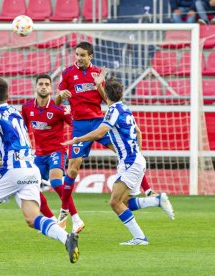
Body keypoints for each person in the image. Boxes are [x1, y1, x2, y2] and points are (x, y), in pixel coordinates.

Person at [0, 77, 79, 270]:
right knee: (32, 218)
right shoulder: (16, 113)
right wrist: (2, 161)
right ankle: (66, 238)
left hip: (13, 171)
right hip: (30, 168)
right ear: (8, 95)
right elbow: (21, 143)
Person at [62, 79, 175, 245]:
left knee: (115, 202)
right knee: (126, 202)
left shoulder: (113, 110)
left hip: (130, 163)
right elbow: (139, 132)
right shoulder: (125, 108)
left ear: (105, 96)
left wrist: (78, 139)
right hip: (135, 160)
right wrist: (137, 155)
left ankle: (140, 236)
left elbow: (100, 132)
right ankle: (155, 202)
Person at [55, 41, 155, 226]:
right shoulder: (68, 73)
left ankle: (148, 189)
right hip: (79, 124)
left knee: (125, 151)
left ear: (90, 56)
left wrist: (99, 84)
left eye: (83, 55)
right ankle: (64, 210)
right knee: (73, 168)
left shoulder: (97, 73)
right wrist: (62, 95)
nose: (79, 58)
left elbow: (106, 99)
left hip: (99, 121)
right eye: (77, 54)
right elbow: (57, 100)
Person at [22, 74, 84, 233]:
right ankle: (50, 220)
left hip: (57, 151)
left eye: (46, 84)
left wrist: (78, 142)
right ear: (36, 87)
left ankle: (76, 219)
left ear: (51, 88)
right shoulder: (27, 108)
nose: (43, 86)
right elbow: (22, 129)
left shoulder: (59, 110)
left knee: (56, 182)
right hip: (39, 155)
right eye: (40, 84)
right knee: (30, 188)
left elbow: (76, 125)